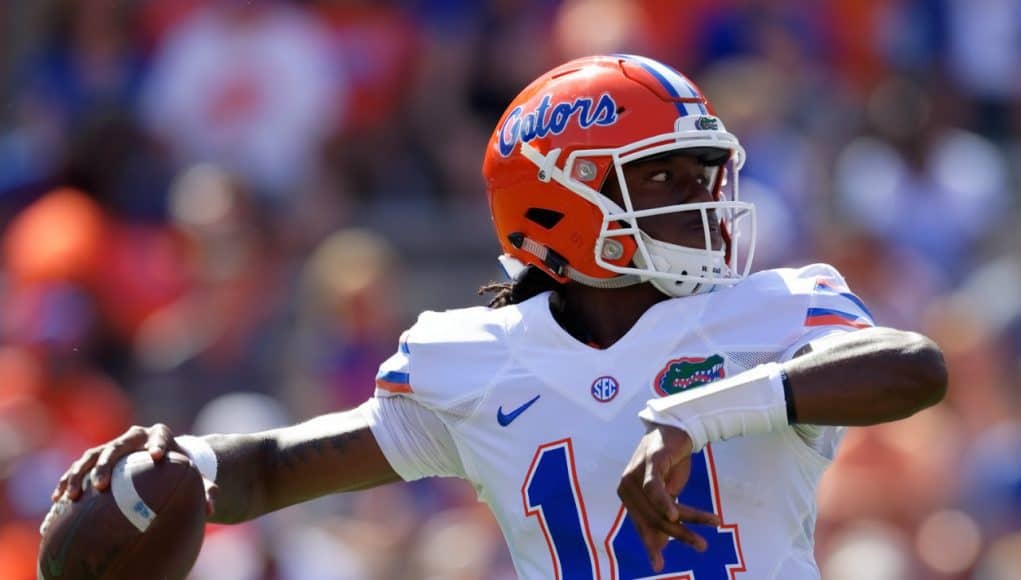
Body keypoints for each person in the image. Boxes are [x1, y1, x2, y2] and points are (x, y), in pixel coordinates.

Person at [47, 55, 947, 579]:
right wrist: (174, 462)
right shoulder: (477, 361)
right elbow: (280, 470)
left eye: (702, 177)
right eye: (663, 178)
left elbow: (912, 367)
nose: (703, 204)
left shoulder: (769, 313)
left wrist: (698, 416)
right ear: (559, 203)